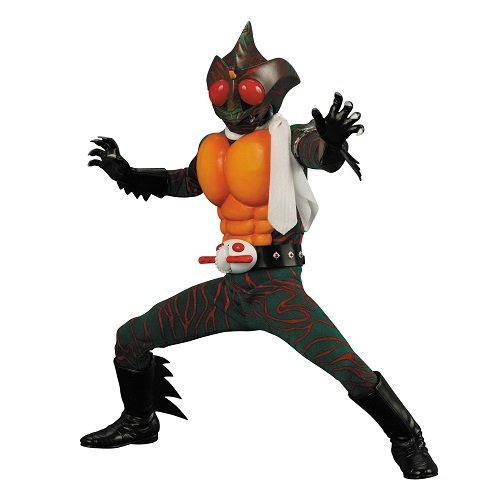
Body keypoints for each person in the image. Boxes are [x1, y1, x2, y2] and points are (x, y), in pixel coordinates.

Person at [82, 22, 438, 480]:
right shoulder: (214, 149)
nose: (234, 106)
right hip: (230, 291)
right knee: (131, 337)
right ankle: (140, 421)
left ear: (270, 97)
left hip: (278, 292)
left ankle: (408, 439)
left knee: (348, 368)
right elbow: (182, 182)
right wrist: (127, 173)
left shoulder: (289, 139)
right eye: (224, 94)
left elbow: (320, 154)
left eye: (246, 94)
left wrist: (333, 142)